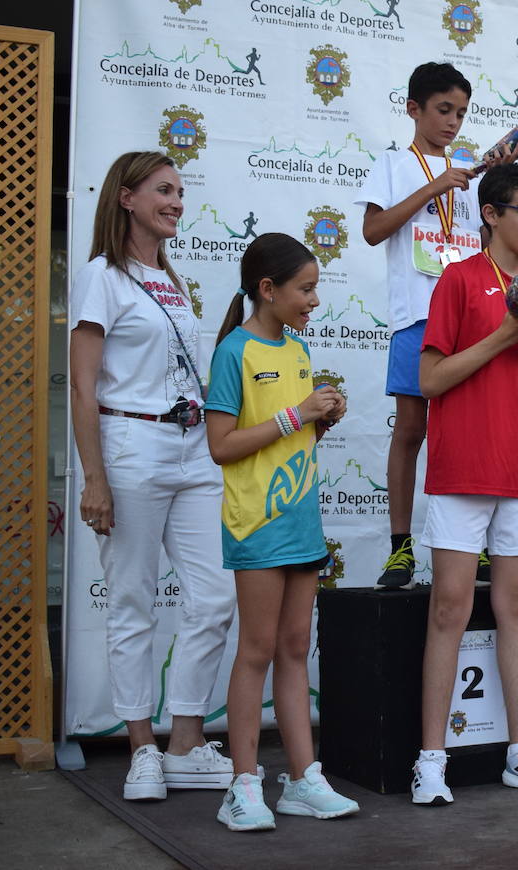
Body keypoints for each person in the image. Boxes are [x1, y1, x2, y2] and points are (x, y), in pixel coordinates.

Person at [69, 151, 237, 801]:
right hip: (129, 443)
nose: (176, 201)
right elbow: (84, 387)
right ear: (126, 199)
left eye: (180, 192)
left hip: (191, 448)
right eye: (163, 191)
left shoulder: (171, 278)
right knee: (133, 600)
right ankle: (142, 747)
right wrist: (95, 477)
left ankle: (185, 740)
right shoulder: (99, 277)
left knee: (215, 595)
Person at [411, 164, 518, 806]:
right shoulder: (459, 279)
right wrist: (506, 334)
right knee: (449, 608)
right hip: (461, 472)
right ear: (491, 214)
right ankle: (431, 758)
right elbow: (430, 379)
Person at [205, 233, 358, 830]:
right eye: (306, 288)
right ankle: (243, 787)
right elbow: (222, 446)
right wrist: (297, 414)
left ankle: (303, 779)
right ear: (267, 290)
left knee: (295, 651)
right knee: (258, 652)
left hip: (302, 522)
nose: (314, 300)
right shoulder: (233, 352)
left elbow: (287, 440)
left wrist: (318, 423)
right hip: (257, 524)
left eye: (316, 287)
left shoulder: (296, 352)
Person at [357, 62, 510, 590]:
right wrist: (436, 185)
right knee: (412, 429)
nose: (453, 122)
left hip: (468, 318)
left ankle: (473, 544)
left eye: (462, 113)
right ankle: (401, 546)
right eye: (444, 110)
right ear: (413, 108)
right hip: (417, 317)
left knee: (464, 431)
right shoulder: (394, 164)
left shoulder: (470, 172)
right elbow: (373, 230)